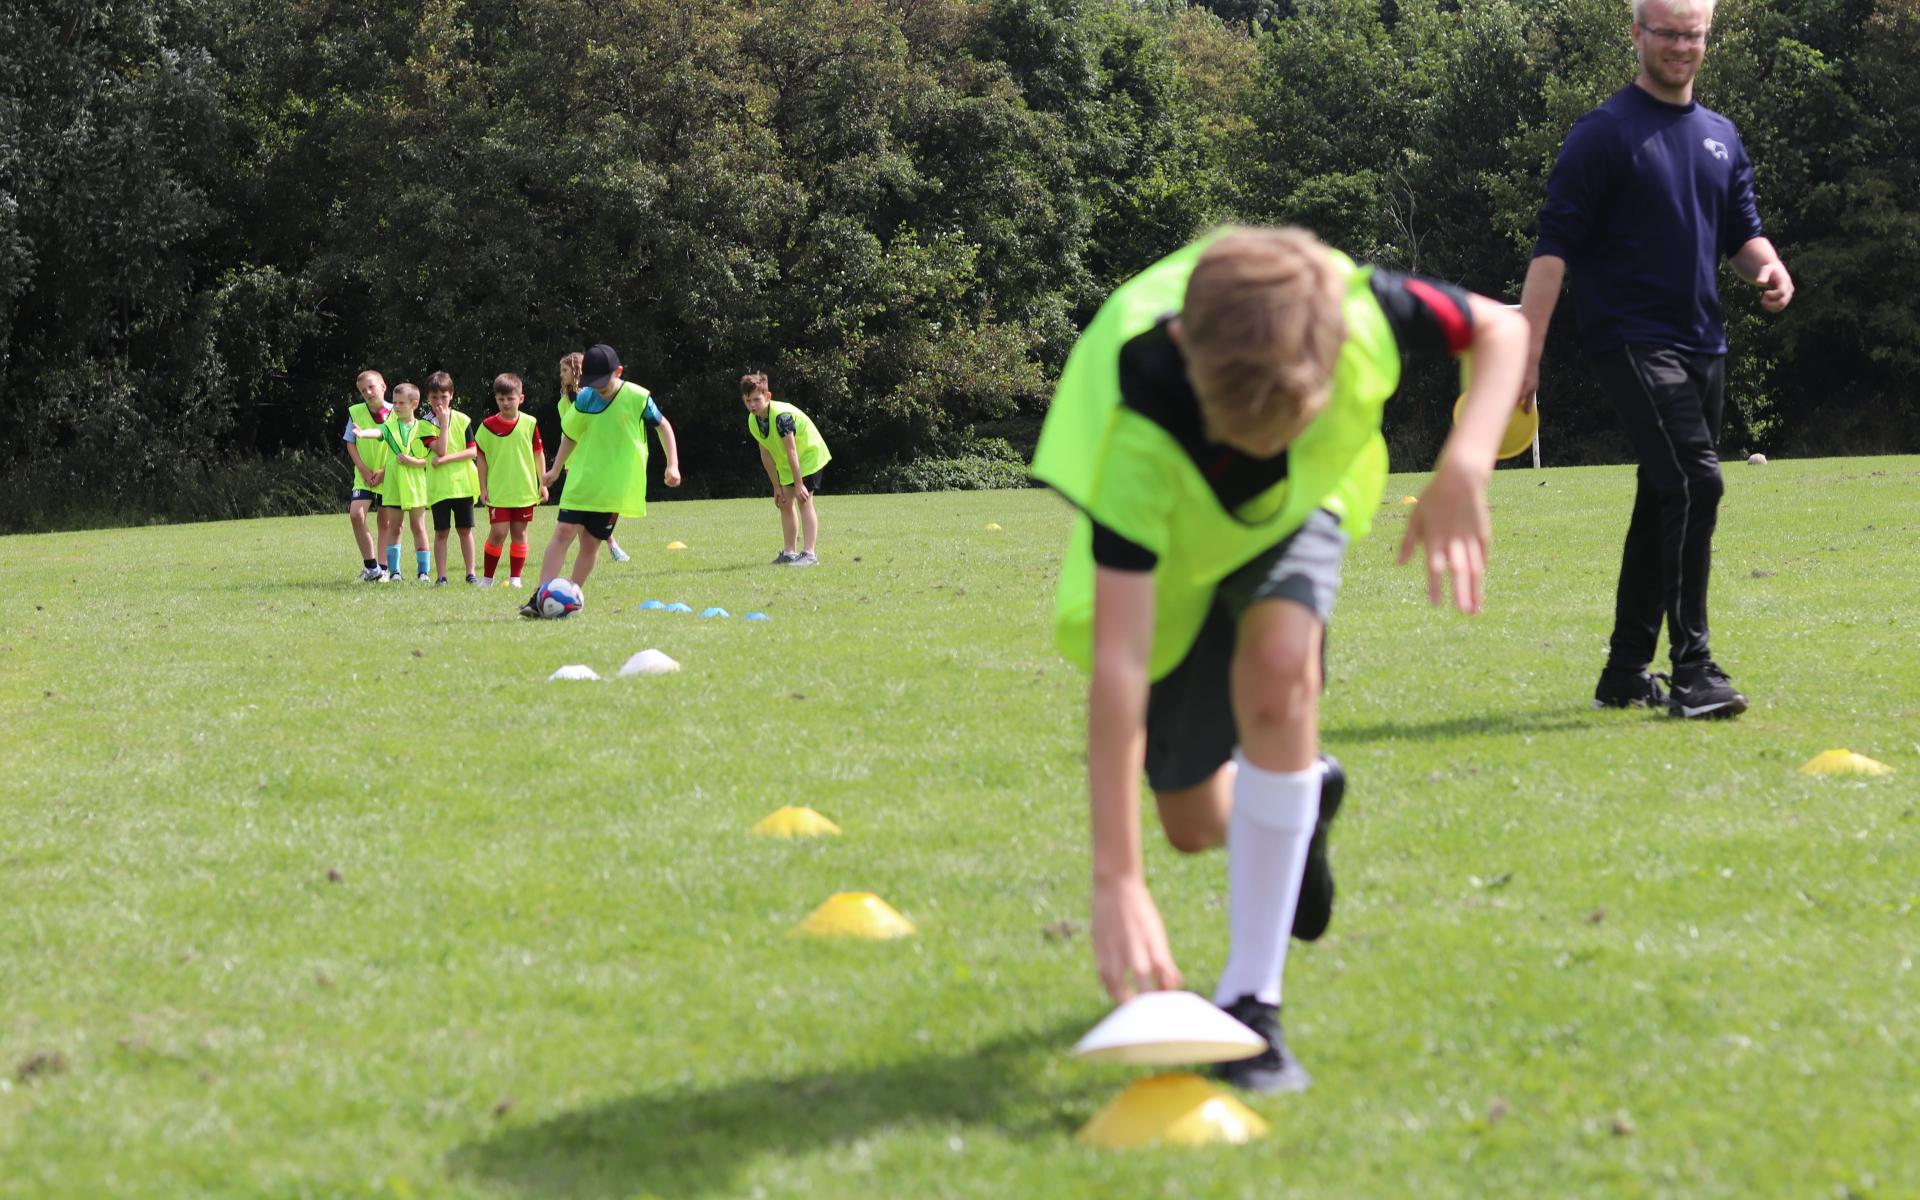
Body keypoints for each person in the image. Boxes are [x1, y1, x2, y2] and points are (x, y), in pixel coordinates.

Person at [1030, 226, 1526, 1093]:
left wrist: (1465, 465)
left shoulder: (1361, 306)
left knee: (1281, 670)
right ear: (1190, 357)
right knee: (1187, 824)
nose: (1265, 445)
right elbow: (1119, 659)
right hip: (1180, 547)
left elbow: (1504, 329)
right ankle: (1300, 805)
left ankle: (1253, 1006)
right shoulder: (1137, 404)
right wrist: (1117, 876)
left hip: (1306, 506)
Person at [1517, 0, 1793, 719]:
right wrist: (1528, 350)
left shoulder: (1720, 136)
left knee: (1663, 495)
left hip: (1706, 344)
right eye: (1665, 32)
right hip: (1632, 341)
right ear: (1637, 34)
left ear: (1708, 39)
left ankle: (1624, 671)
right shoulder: (1602, 134)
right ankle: (1694, 668)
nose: (1679, 46)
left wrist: (1770, 269)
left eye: (1691, 34)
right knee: (1698, 484)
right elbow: (1554, 248)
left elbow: (1742, 234)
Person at [527, 343, 681, 614]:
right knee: (563, 532)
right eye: (592, 382)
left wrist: (673, 464)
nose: (598, 387)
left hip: (615, 485)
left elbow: (663, 426)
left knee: (590, 542)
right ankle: (541, 597)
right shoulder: (586, 397)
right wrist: (554, 468)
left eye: (602, 381)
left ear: (618, 371)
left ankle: (570, 596)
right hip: (583, 478)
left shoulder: (637, 397)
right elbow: (571, 435)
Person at [741, 371, 831, 566]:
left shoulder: (782, 417)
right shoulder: (752, 420)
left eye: (757, 399)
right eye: (748, 401)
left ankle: (809, 554)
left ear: (768, 396)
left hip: (808, 456)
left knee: (804, 501)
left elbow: (791, 450)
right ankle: (789, 553)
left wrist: (799, 484)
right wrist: (776, 486)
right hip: (789, 463)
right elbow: (765, 454)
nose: (752, 405)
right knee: (784, 502)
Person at [352, 382, 435, 582]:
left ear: (414, 404)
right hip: (394, 485)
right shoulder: (389, 426)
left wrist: (412, 461)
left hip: (415, 485)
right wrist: (363, 434)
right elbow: (378, 432)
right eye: (395, 403)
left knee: (419, 527)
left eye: (401, 403)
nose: (395, 407)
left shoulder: (424, 428)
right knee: (394, 527)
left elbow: (430, 459)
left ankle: (423, 572)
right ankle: (394, 572)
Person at [473, 372, 549, 588]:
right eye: (501, 399)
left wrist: (542, 483)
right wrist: (482, 487)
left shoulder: (530, 423)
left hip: (524, 490)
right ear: (496, 399)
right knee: (498, 533)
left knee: (520, 533)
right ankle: (487, 579)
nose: (505, 403)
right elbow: (481, 458)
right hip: (499, 490)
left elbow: (538, 454)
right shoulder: (487, 426)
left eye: (510, 398)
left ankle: (516, 578)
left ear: (521, 398)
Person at [559, 351, 631, 565]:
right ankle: (599, 549)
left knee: (598, 505)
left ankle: (606, 545)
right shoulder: (568, 396)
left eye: (564, 370)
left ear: (576, 370)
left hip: (591, 457)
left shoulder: (588, 397)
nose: (561, 375)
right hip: (574, 457)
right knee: (584, 508)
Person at [423, 371, 481, 586]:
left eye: (443, 397)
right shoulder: (425, 424)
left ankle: (471, 574)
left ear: (452, 395)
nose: (439, 402)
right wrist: (444, 423)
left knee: (465, 531)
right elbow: (441, 449)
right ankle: (442, 577)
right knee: (441, 533)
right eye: (434, 397)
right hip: (440, 488)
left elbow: (472, 452)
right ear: (428, 398)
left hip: (463, 485)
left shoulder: (464, 420)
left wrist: (447, 460)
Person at [342, 370, 391, 581]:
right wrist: (362, 468)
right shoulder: (355, 412)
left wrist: (385, 471)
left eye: (371, 387)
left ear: (383, 387)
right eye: (363, 391)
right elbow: (350, 443)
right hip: (364, 475)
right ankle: (371, 567)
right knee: (356, 515)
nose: (368, 392)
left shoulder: (398, 411)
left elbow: (404, 447)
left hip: (389, 474)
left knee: (385, 521)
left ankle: (385, 569)